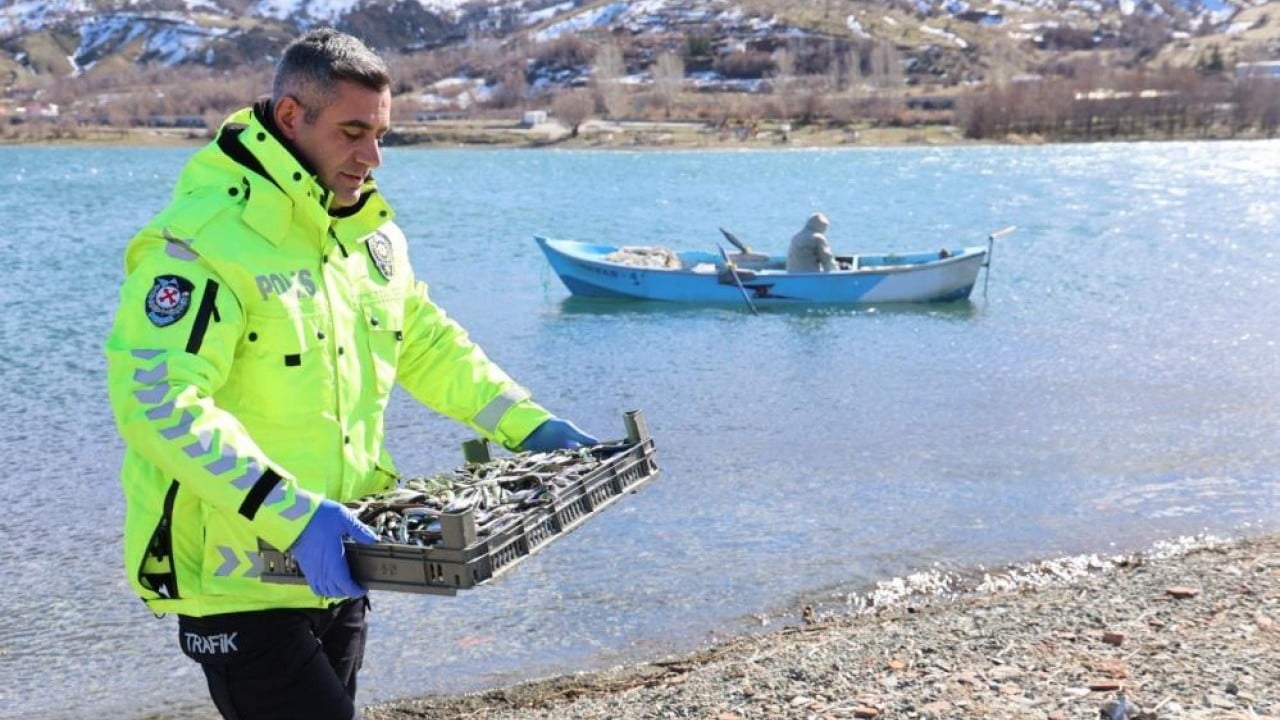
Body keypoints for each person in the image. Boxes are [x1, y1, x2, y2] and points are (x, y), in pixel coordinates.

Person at [104, 28, 597, 720]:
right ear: (290, 118)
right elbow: (156, 403)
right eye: (353, 132)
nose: (372, 157)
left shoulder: (368, 236)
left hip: (341, 561)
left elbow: (425, 344)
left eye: (381, 135)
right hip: (237, 579)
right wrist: (290, 512)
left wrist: (528, 422)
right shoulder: (201, 243)